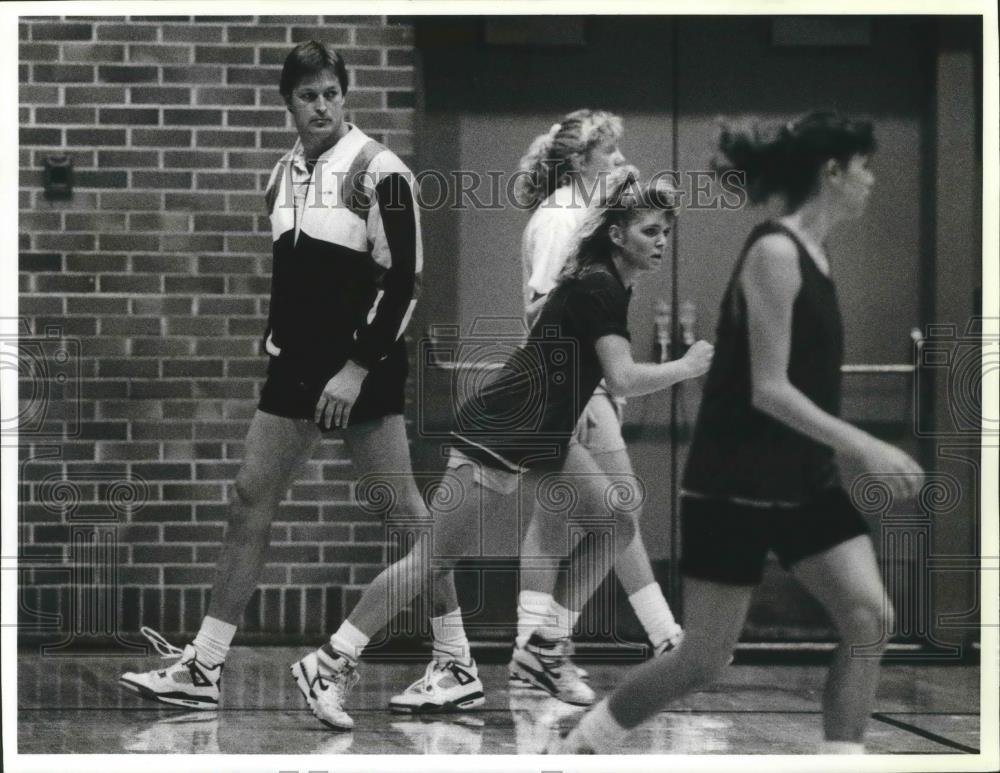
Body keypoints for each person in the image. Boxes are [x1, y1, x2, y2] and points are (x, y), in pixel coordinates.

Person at [288, 165, 714, 731]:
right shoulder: (600, 287)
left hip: (542, 435)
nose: (661, 242)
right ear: (617, 234)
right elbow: (623, 378)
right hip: (500, 431)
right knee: (432, 560)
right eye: (649, 231)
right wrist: (686, 366)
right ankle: (329, 660)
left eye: (665, 232)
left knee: (615, 521)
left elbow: (552, 326)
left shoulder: (602, 279)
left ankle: (544, 645)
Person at [551, 111, 924, 754]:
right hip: (736, 481)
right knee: (703, 658)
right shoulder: (775, 251)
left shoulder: (816, 252)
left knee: (869, 618)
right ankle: (577, 750)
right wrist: (865, 444)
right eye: (863, 166)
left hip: (804, 479)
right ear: (831, 171)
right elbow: (768, 389)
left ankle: (843, 760)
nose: (871, 180)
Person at [118, 40, 452, 710]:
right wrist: (277, 342)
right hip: (294, 369)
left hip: (363, 368)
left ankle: (457, 660)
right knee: (248, 499)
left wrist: (356, 368)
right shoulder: (281, 174)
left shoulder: (381, 169)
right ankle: (204, 666)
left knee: (404, 514)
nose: (322, 105)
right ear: (289, 103)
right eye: (308, 95)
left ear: (345, 94)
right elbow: (297, 281)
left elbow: (404, 281)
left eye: (331, 92)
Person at [389, 111, 685, 715]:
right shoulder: (560, 219)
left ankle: (539, 654)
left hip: (579, 387)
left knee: (581, 519)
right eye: (611, 151)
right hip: (572, 388)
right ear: (579, 162)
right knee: (612, 511)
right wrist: (574, 397)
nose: (621, 159)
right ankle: (654, 640)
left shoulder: (588, 216)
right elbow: (542, 315)